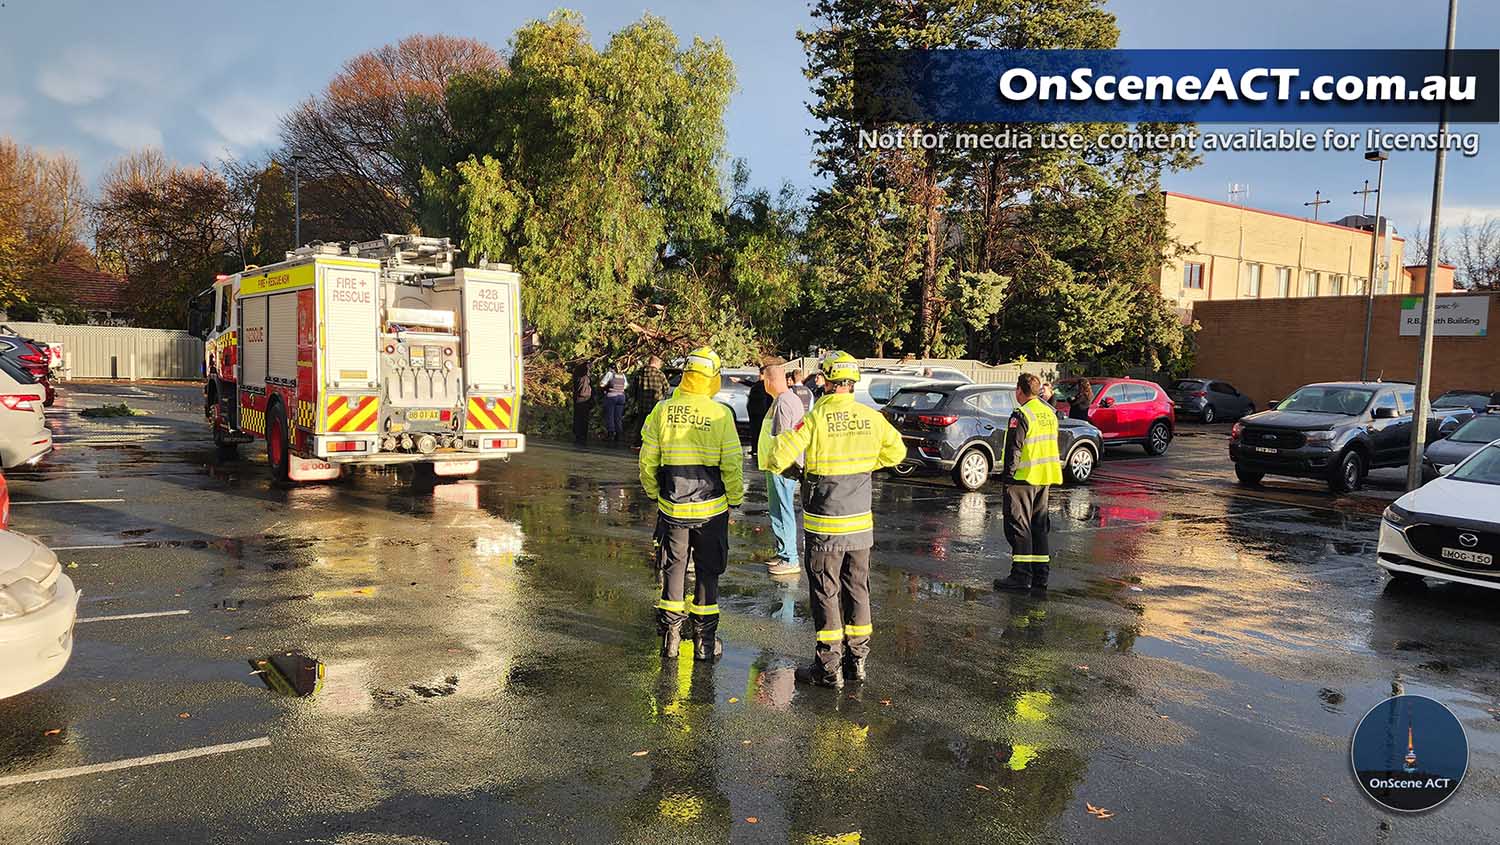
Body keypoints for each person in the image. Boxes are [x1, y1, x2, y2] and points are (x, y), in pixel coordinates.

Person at [768, 351, 905, 688]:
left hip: (824, 526)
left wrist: (800, 471)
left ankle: (829, 669)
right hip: (860, 525)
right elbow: (897, 453)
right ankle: (857, 662)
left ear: (826, 381)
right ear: (853, 382)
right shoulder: (871, 418)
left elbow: (778, 456)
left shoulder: (814, 419)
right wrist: (865, 465)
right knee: (858, 589)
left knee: (826, 592)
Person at [639, 346, 745, 660]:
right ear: (712, 378)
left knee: (673, 570)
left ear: (686, 375)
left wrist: (652, 492)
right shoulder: (720, 414)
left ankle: (670, 641)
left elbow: (647, 461)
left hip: (672, 509)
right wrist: (735, 498)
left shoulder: (663, 410)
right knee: (707, 572)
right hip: (712, 510)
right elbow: (732, 463)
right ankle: (705, 644)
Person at [993, 373, 1063, 594]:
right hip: (1045, 477)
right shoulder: (1049, 413)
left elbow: (1015, 448)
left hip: (1023, 478)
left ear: (1019, 390)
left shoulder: (1021, 414)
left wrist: (1008, 477)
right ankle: (1040, 576)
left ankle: (1021, 577)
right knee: (1038, 527)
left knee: (1019, 528)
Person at [757, 361, 805, 578]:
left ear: (769, 380)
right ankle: (784, 553)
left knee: (783, 510)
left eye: (763, 379)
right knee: (778, 510)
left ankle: (790, 558)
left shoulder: (784, 401)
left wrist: (777, 464)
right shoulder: (784, 399)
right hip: (779, 465)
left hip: (782, 466)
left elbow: (782, 438)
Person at [628, 355, 669, 447]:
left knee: (640, 423)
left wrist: (635, 399)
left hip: (642, 404)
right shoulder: (660, 374)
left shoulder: (639, 374)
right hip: (656, 404)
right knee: (655, 425)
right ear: (656, 363)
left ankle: (637, 443)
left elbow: (632, 389)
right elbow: (666, 388)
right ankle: (653, 444)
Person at [746, 366, 772, 459]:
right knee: (757, 431)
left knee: (757, 431)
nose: (759, 376)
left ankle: (756, 449)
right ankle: (756, 449)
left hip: (759, 412)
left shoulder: (763, 385)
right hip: (758, 412)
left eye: (761, 374)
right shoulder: (763, 385)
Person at [599, 365, 628, 442]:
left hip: (611, 397)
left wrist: (606, 387)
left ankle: (610, 433)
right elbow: (625, 386)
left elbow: (602, 384)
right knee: (618, 417)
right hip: (621, 397)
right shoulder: (622, 375)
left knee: (610, 415)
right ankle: (618, 434)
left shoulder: (610, 373)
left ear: (611, 368)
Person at [571, 362, 594, 445]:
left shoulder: (579, 376)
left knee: (579, 418)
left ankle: (579, 435)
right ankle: (581, 435)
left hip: (581, 399)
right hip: (584, 398)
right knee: (583, 418)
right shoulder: (584, 377)